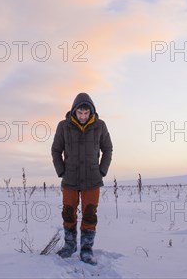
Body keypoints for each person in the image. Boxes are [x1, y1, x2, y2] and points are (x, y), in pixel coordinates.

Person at [51, 92, 113, 265]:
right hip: (70, 178)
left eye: (86, 113)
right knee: (68, 213)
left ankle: (86, 250)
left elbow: (108, 149)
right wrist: (61, 171)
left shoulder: (100, 126)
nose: (83, 116)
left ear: (91, 112)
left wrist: (101, 171)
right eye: (80, 113)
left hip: (92, 179)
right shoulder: (63, 126)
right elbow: (56, 150)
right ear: (74, 111)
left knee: (90, 214)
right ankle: (69, 246)